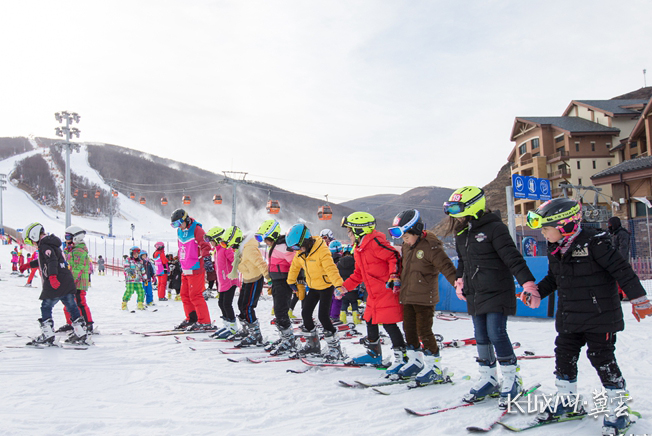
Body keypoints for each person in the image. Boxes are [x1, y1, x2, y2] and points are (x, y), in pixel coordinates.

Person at [523, 198, 652, 433]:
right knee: (563, 355)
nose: (543, 233)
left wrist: (639, 299)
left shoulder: (596, 242)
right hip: (570, 315)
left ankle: (618, 410)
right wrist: (537, 293)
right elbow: (554, 278)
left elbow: (621, 270)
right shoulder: (555, 248)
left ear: (565, 225)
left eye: (546, 228)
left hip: (599, 315)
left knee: (602, 359)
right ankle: (567, 401)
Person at [445, 186, 536, 407]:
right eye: (451, 209)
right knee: (481, 335)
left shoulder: (495, 228)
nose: (454, 214)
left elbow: (512, 258)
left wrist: (528, 283)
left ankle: (512, 378)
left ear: (473, 205)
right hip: (475, 292)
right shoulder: (462, 232)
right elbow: (463, 262)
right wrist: (460, 280)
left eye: (457, 208)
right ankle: (489, 377)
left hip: (497, 290)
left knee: (496, 332)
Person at [389, 209, 457, 383]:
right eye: (402, 238)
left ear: (416, 231)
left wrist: (458, 283)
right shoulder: (407, 246)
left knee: (424, 332)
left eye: (406, 237)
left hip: (425, 298)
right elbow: (405, 268)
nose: (404, 241)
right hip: (408, 295)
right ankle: (415, 361)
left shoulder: (431, 247)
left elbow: (447, 267)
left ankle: (434, 367)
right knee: (408, 330)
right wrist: (396, 279)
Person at [339, 212, 406, 371]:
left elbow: (394, 256)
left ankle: (402, 358)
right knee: (369, 319)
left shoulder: (375, 242)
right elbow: (358, 274)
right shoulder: (359, 249)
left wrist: (394, 276)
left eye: (349, 231)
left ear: (359, 230)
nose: (348, 235)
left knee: (389, 325)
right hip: (374, 293)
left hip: (386, 290)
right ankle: (374, 354)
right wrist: (344, 287)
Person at [19, 223, 89, 345]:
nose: (32, 244)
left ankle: (47, 333)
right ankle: (80, 331)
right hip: (67, 281)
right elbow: (43, 260)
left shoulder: (45, 246)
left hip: (56, 281)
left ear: (34, 235)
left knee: (46, 306)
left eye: (30, 241)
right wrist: (28, 265)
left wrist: (52, 277)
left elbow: (51, 260)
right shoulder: (52, 245)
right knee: (71, 306)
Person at [287, 223, 346, 360]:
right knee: (305, 313)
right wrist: (291, 281)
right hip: (313, 287)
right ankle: (313, 344)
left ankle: (335, 348)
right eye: (294, 248)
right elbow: (294, 267)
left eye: (298, 246)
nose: (297, 250)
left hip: (326, 286)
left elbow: (331, 269)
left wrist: (338, 285)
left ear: (306, 241)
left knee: (323, 317)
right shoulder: (301, 252)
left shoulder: (322, 250)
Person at [222, 225, 270, 347]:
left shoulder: (249, 249)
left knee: (248, 307)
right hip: (247, 279)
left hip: (255, 279)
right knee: (240, 305)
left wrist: (269, 279)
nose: (232, 249)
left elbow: (261, 263)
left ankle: (256, 333)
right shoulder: (241, 249)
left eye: (232, 246)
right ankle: (247, 330)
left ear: (237, 240)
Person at [256, 220, 297, 355]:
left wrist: (297, 281)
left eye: (266, 238)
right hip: (277, 281)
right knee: (279, 311)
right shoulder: (275, 245)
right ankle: (284, 337)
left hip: (284, 282)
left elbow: (295, 264)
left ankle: (289, 340)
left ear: (272, 235)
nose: (265, 242)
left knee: (281, 311)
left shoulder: (284, 246)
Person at [171, 208, 213, 331]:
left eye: (179, 223)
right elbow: (181, 247)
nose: (178, 227)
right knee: (184, 295)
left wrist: (206, 259)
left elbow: (206, 245)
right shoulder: (179, 231)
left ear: (186, 219)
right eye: (175, 225)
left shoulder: (197, 229)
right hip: (185, 268)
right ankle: (192, 317)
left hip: (196, 268)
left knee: (195, 295)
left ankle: (205, 321)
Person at [205, 227, 240, 340]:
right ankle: (227, 325)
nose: (210, 243)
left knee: (226, 304)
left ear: (218, 238)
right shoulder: (217, 250)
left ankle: (233, 327)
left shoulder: (226, 249)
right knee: (221, 303)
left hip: (230, 281)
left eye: (211, 240)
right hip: (222, 282)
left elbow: (235, 261)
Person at [59, 225, 94, 334]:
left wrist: (70, 280)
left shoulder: (79, 250)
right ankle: (71, 323)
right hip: (71, 281)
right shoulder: (71, 249)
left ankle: (88, 324)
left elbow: (78, 267)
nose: (66, 238)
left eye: (68, 236)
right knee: (68, 303)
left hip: (78, 282)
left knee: (80, 303)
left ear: (76, 237)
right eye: (65, 236)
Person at [337, 244, 360, 325]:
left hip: (344, 286)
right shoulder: (355, 262)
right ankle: (356, 319)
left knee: (344, 302)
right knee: (354, 302)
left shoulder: (339, 263)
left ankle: (342, 318)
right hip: (353, 287)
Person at [122, 246, 147, 311]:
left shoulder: (140, 261)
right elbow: (126, 267)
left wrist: (145, 278)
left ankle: (140, 304)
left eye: (137, 254)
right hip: (130, 280)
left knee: (141, 291)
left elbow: (142, 270)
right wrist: (130, 271)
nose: (136, 255)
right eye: (134, 254)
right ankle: (124, 303)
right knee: (129, 291)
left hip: (138, 280)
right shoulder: (128, 260)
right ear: (131, 254)